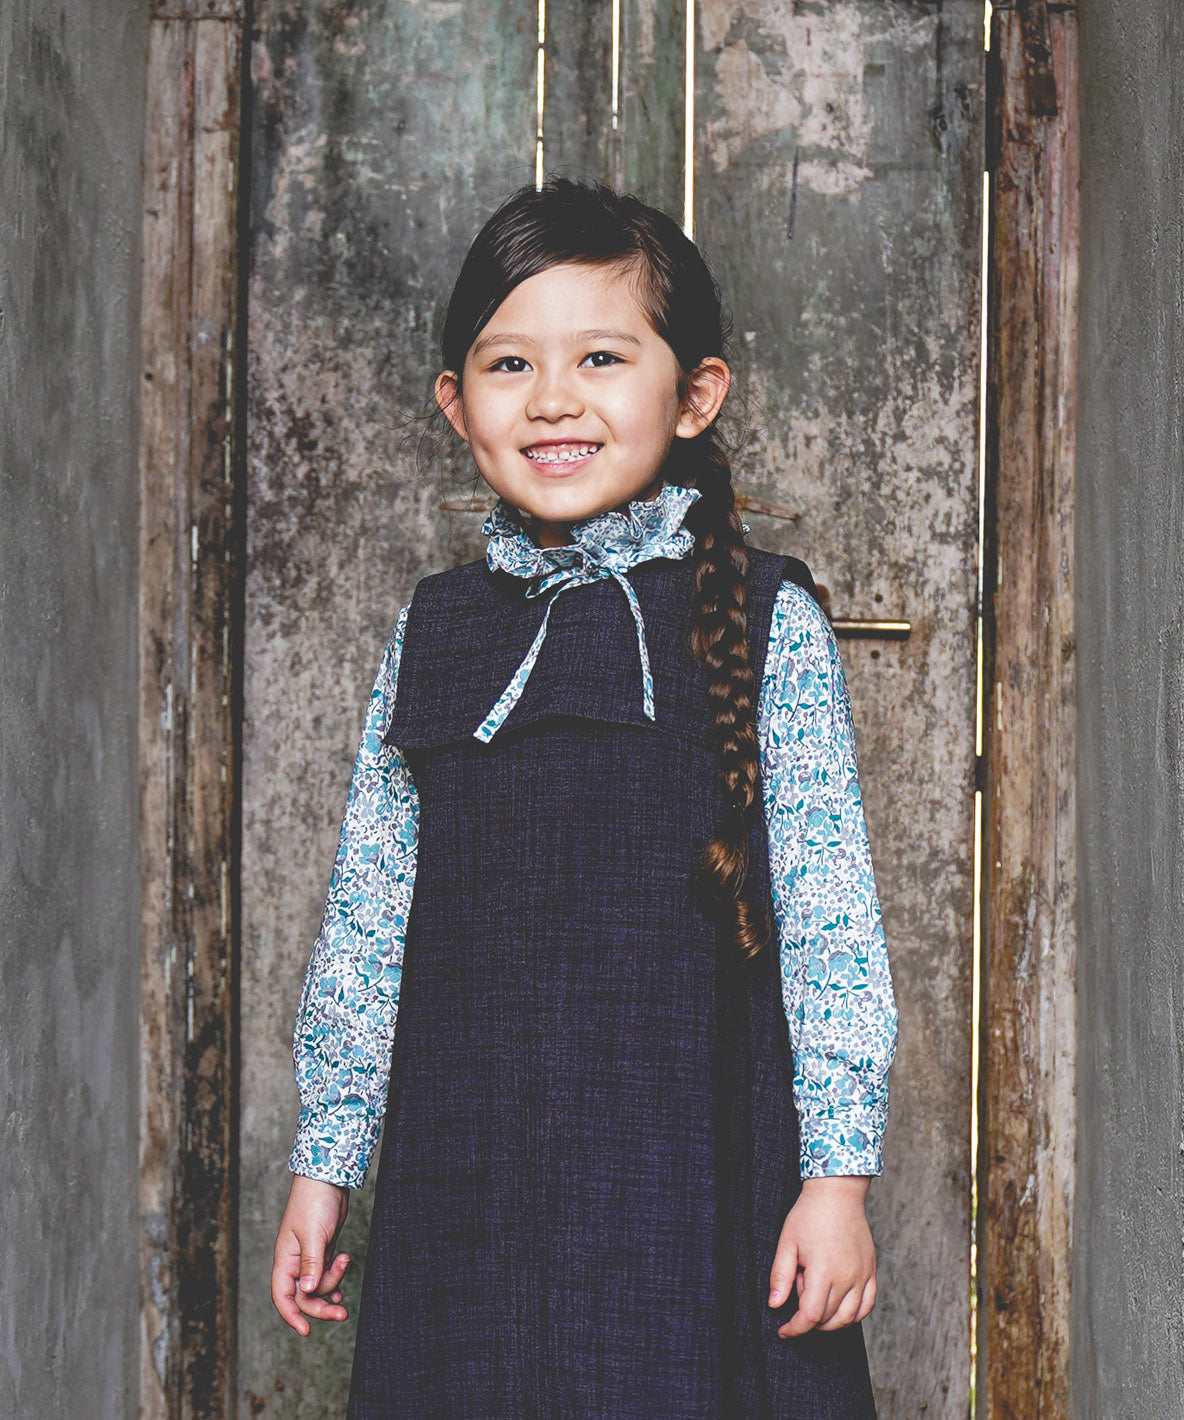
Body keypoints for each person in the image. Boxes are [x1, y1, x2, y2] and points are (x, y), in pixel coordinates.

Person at [270, 175, 899, 1418]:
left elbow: (831, 926)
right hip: (470, 1166)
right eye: (508, 364)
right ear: (454, 402)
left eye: (599, 357)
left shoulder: (763, 620)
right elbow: (366, 917)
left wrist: (837, 1180)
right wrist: (324, 1162)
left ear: (694, 394)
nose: (552, 398)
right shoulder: (434, 630)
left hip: (687, 1160)